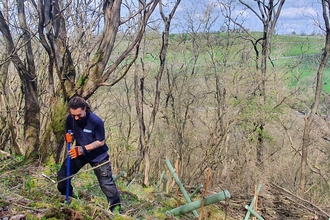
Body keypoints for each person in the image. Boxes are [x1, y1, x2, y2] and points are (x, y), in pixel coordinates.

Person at [57, 96, 121, 213]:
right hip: (79, 153)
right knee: (62, 176)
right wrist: (68, 138)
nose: (76, 118)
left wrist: (82, 149)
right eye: (73, 115)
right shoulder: (70, 120)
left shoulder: (96, 121)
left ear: (85, 109)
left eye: (79, 115)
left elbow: (100, 142)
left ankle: (116, 210)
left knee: (107, 184)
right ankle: (68, 199)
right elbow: (69, 136)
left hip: (98, 156)